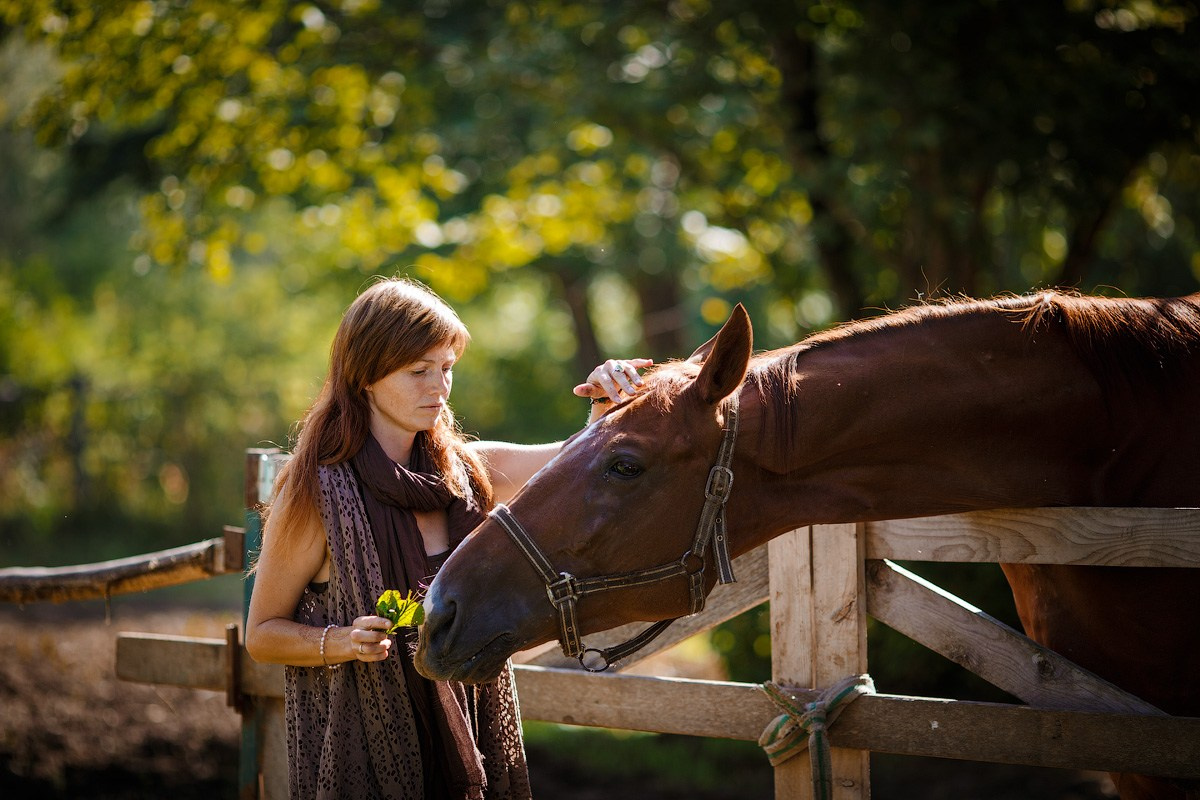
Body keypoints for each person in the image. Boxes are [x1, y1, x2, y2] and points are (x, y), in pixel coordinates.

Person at [245, 276, 650, 800]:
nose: (438, 388)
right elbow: (262, 634)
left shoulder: (467, 471)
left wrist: (604, 399)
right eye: (418, 371)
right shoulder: (315, 495)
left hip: (474, 733)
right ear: (365, 374)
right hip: (364, 756)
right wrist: (341, 641)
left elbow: (575, 458)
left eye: (447, 369)